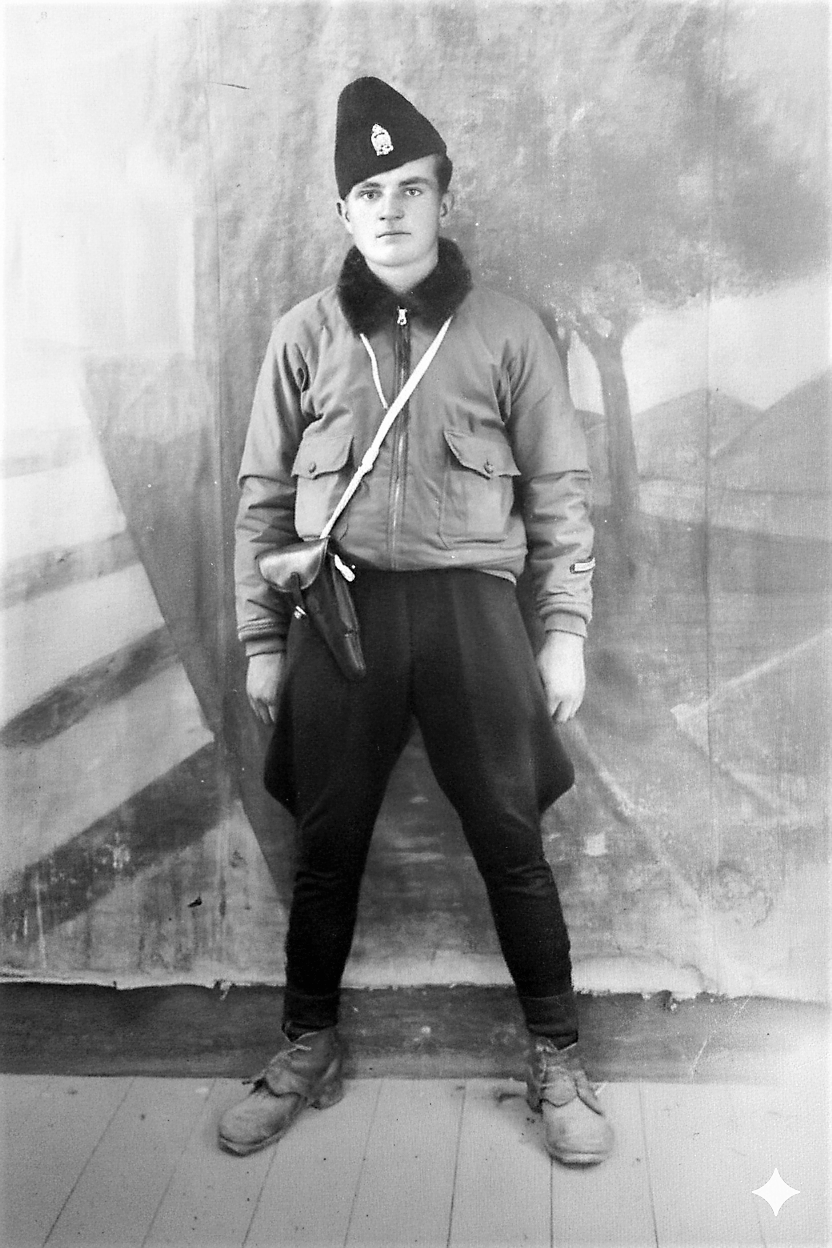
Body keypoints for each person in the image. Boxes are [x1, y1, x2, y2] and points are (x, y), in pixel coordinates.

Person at [222, 76, 613, 1166]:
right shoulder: (304, 335)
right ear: (342, 212)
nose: (389, 210)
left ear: (445, 198)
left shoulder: (507, 331)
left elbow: (559, 494)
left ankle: (557, 1060)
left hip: (470, 611)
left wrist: (563, 630)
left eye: (410, 188)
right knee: (327, 843)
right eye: (369, 193)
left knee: (510, 838)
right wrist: (263, 641)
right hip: (338, 611)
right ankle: (307, 1047)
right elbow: (262, 500)